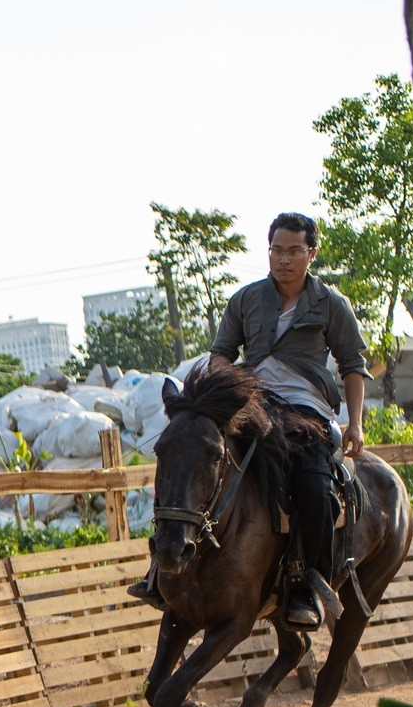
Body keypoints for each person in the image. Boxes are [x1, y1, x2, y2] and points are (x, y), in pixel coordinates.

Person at [129, 211, 369, 629]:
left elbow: (353, 365)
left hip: (305, 410)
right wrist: (217, 398)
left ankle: (305, 586)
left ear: (312, 253)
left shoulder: (331, 304)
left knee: (314, 487)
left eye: (294, 250)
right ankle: (161, 570)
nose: (284, 259)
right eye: (277, 250)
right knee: (193, 460)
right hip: (251, 403)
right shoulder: (245, 299)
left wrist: (356, 423)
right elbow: (222, 352)